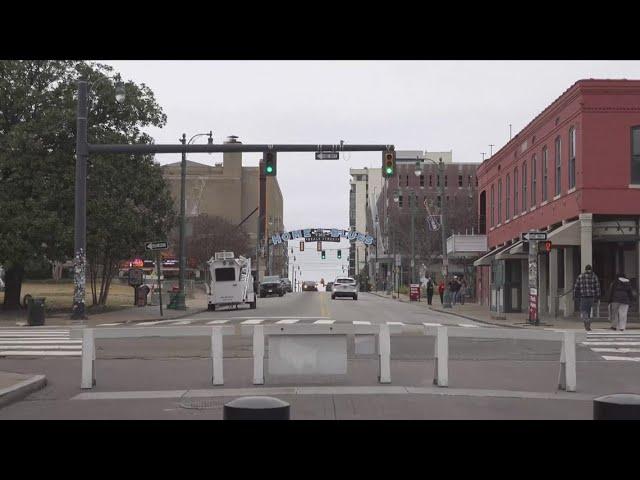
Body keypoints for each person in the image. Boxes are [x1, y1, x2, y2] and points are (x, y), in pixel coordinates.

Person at [573, 264, 600, 331]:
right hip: (591, 297)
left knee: (583, 310)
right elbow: (597, 287)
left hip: (583, 297)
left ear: (585, 269)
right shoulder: (594, 276)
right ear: (591, 269)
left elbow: (576, 287)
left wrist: (575, 295)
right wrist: (597, 296)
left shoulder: (580, 276)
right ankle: (587, 325)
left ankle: (587, 322)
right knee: (588, 311)